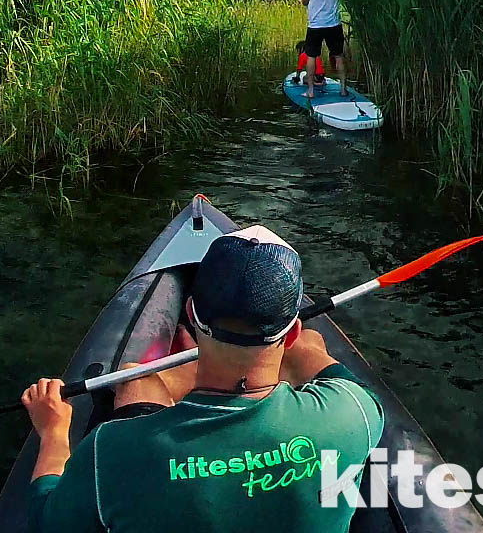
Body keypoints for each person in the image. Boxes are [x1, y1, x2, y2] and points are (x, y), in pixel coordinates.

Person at [21, 226, 384, 532]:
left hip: (154, 433)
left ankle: (189, 364)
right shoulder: (353, 413)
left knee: (136, 379)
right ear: (291, 335)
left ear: (192, 312)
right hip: (267, 354)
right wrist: (281, 340)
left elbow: (44, 517)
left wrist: (53, 431)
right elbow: (317, 356)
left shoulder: (110, 452)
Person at [299, 0, 347, 99]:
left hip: (315, 25)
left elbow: (305, 1)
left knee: (312, 56)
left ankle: (311, 91)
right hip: (334, 24)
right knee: (338, 56)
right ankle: (343, 89)